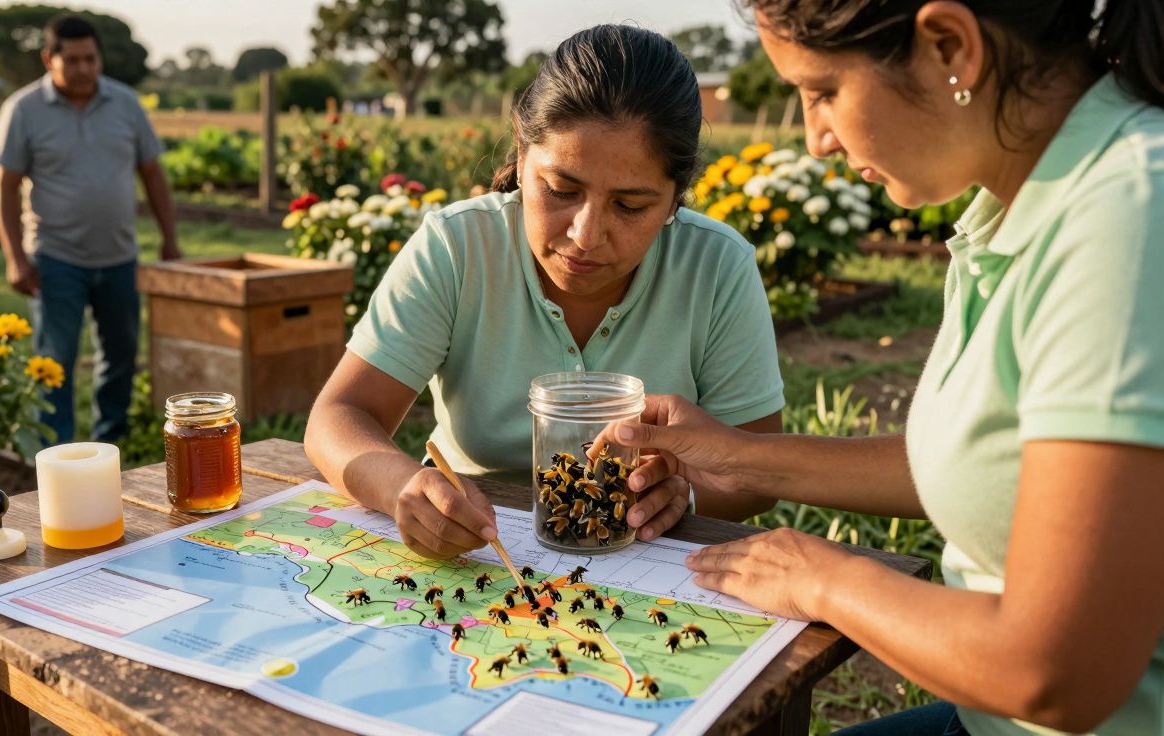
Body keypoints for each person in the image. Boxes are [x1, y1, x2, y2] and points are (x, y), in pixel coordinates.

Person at [600, 2, 1164, 734]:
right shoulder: (1021, 205)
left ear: (950, 47)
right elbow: (1005, 466)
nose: (817, 140)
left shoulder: (1126, 218)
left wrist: (823, 578)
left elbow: (1058, 672)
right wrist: (740, 456)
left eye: (824, 91)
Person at [305, 25, 785, 560]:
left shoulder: (715, 265)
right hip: (478, 551)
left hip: (642, 555)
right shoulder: (459, 248)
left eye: (630, 206)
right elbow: (339, 416)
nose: (585, 234)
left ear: (676, 200)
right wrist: (400, 487)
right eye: (560, 190)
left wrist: (688, 493)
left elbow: (759, 469)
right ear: (521, 156)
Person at [0, 13, 181, 443]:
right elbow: (3, 185)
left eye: (90, 59)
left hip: (119, 257)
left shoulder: (126, 103)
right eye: (71, 60)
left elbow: (152, 174)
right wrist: (15, 258)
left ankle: (110, 441)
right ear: (48, 58)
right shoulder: (24, 109)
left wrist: (170, 239)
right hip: (55, 259)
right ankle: (54, 453)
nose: (83, 69)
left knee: (122, 357)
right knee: (55, 361)